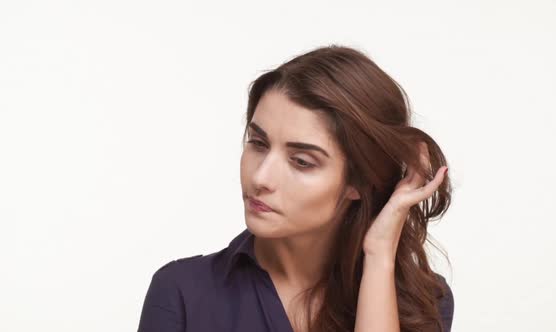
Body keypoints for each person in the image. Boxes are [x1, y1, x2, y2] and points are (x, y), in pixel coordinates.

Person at [137, 45, 454, 332]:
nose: (261, 177)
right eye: (258, 144)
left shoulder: (419, 304)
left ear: (359, 181)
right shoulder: (182, 294)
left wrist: (379, 254)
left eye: (301, 161)